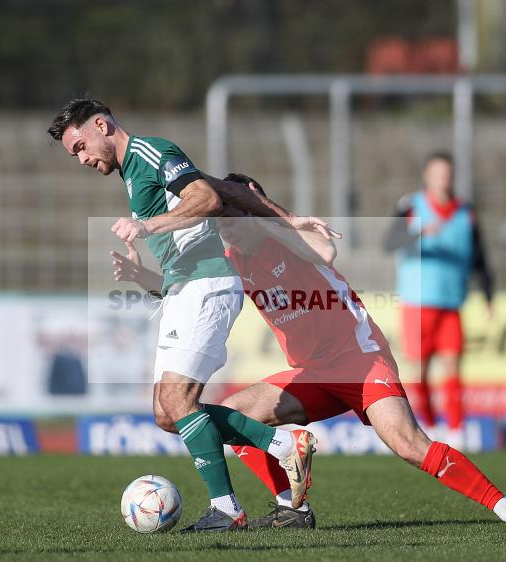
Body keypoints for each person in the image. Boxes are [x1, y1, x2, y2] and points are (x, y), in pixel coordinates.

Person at [112, 173, 506, 530]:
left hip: (360, 358)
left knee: (408, 443)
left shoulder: (285, 237)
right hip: (312, 372)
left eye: (232, 216)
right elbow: (183, 289)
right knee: (235, 415)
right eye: (222, 219)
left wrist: (267, 217)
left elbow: (326, 249)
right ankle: (294, 508)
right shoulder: (231, 259)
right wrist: (141, 277)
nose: (225, 226)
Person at [48, 98, 317, 533]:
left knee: (178, 402)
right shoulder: (133, 174)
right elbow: (200, 222)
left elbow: (206, 197)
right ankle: (283, 445)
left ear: (101, 125)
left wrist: (147, 226)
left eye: (80, 146)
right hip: (185, 288)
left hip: (208, 285)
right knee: (166, 412)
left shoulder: (151, 152)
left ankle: (229, 507)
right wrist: (142, 275)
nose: (81, 159)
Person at [383, 151, 495, 445]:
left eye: (447, 173)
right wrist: (418, 232)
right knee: (419, 371)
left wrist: (488, 293)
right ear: (427, 176)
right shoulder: (411, 206)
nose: (443, 178)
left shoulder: (465, 211)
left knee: (453, 367)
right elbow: (389, 241)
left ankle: (457, 430)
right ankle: (430, 426)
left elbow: (479, 254)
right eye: (438, 173)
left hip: (451, 301)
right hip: (418, 302)